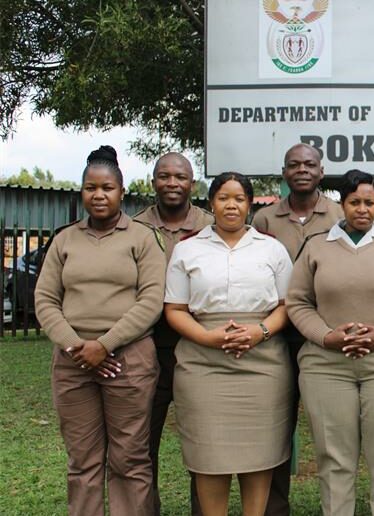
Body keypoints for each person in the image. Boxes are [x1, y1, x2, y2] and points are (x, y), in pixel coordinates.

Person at [286, 169, 374, 516]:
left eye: (369, 202)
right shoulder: (317, 246)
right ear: (342, 203)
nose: (361, 209)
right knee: (334, 459)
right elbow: (298, 302)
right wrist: (325, 336)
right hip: (326, 365)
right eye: (354, 202)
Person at [35, 145, 166, 516]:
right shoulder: (65, 240)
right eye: (91, 188)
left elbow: (151, 300)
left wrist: (105, 345)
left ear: (121, 192)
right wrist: (78, 347)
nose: (99, 195)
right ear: (82, 191)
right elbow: (45, 299)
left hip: (129, 360)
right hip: (72, 362)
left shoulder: (141, 238)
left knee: (129, 459)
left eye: (107, 188)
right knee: (82, 460)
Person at [164, 172, 294, 516]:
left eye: (239, 198)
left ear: (250, 204)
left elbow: (287, 306)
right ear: (211, 203)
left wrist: (260, 332)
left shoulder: (272, 248)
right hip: (202, 364)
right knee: (209, 458)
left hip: (263, 365)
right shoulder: (187, 249)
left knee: (260, 456)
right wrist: (207, 337)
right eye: (224, 198)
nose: (231, 205)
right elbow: (174, 309)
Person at [251, 142, 343, 516]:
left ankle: (337, 506)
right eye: (294, 164)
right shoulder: (264, 220)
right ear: (284, 172)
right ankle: (275, 508)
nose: (302, 169)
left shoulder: (341, 214)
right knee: (276, 427)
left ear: (321, 172)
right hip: (277, 338)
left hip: (327, 338)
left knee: (335, 433)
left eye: (310, 164)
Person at [134, 151, 213, 516]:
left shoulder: (212, 226)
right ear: (153, 183)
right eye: (164, 176)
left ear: (191, 183)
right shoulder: (134, 227)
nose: (172, 183)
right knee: (141, 443)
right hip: (146, 347)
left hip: (201, 347)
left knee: (203, 442)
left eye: (179, 177)